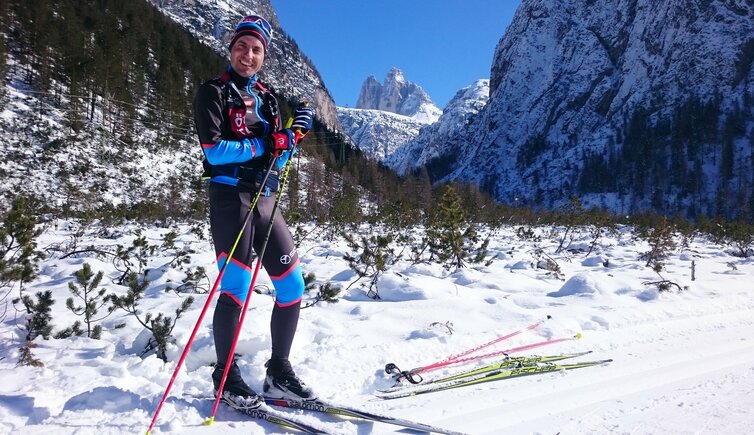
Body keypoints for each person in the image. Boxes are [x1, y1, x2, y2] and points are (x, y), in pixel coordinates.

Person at [193, 14, 317, 410]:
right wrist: (271, 142)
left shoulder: (265, 98)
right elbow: (215, 150)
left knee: (292, 287)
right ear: (231, 49)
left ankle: (278, 373)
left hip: (266, 199)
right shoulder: (213, 91)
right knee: (235, 290)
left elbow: (278, 156)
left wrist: (294, 135)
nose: (249, 55)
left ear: (264, 56)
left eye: (257, 49)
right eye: (242, 46)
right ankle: (225, 379)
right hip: (231, 199)